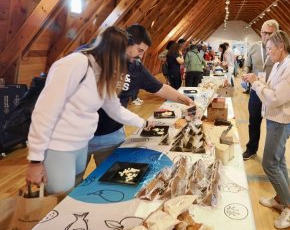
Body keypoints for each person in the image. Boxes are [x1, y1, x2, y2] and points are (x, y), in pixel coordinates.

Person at [26, 26, 147, 194]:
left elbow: (114, 109)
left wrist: (144, 123)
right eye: (127, 57)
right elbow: (45, 111)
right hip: (59, 146)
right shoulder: (74, 64)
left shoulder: (103, 70)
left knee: (75, 193)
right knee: (60, 198)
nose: (132, 61)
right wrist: (35, 160)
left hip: (82, 145)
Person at [88, 24, 194, 168]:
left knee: (109, 177)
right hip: (81, 135)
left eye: (143, 52)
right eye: (139, 50)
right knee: (70, 184)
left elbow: (161, 88)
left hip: (112, 134)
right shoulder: (93, 62)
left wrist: (186, 100)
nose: (140, 56)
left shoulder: (136, 68)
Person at [242, 30, 290, 229]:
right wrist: (257, 81)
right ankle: (280, 198)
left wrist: (257, 85)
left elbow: (276, 98)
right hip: (275, 119)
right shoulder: (279, 65)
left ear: (280, 47)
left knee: (269, 163)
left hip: (281, 121)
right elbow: (271, 87)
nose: (267, 53)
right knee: (278, 160)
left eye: (269, 49)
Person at [242, 19, 279, 160]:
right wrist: (245, 74)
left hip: (273, 93)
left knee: (273, 125)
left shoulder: (280, 50)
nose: (266, 36)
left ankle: (272, 156)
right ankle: (251, 149)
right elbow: (247, 66)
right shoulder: (253, 47)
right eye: (264, 33)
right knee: (254, 121)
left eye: (270, 33)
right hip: (256, 91)